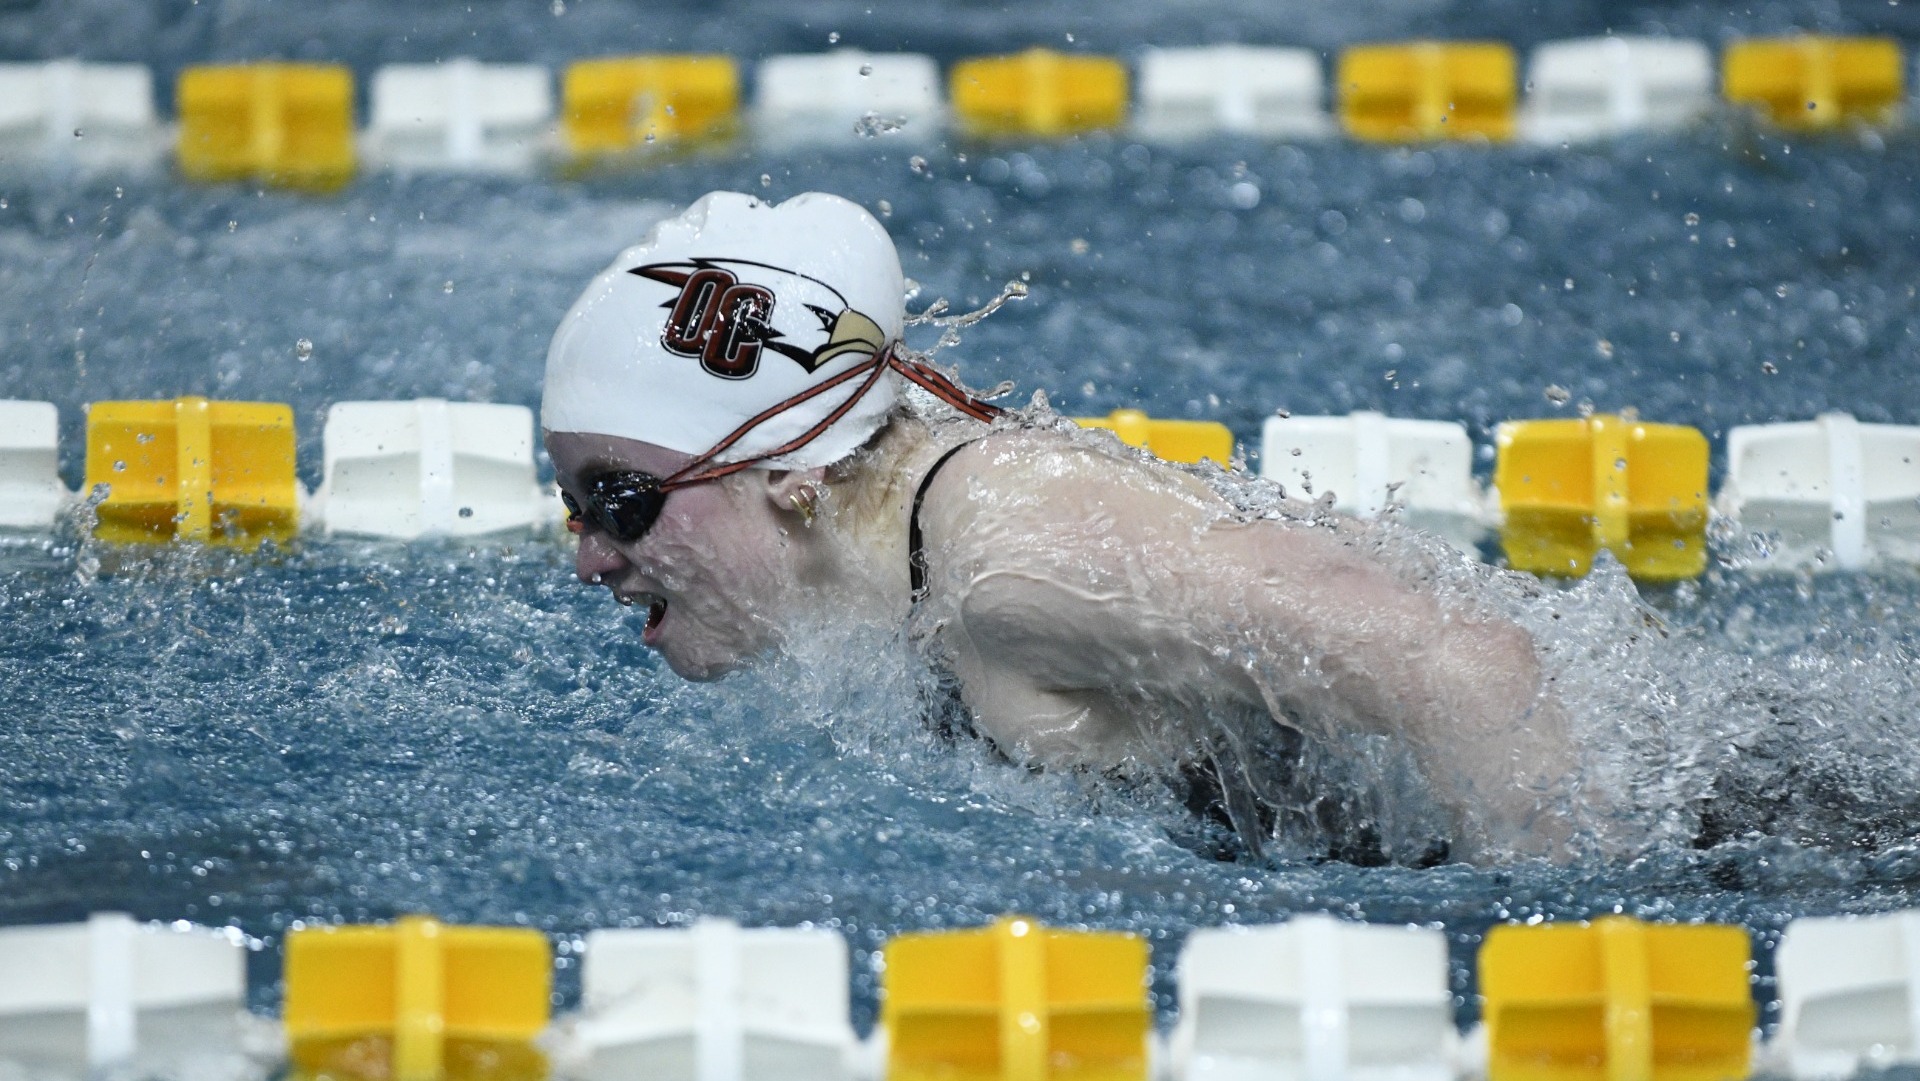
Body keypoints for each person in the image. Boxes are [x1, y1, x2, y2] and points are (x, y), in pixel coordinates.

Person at [543, 191, 1582, 866]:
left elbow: (1472, 670)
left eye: (622, 499)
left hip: (1699, 823)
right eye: (577, 506)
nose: (590, 554)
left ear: (792, 473)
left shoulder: (1009, 563)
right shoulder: (890, 564)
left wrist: (1558, 940)